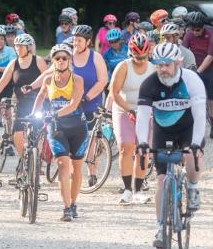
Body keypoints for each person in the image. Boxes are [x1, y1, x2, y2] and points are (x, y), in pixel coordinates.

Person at [135, 42, 206, 249]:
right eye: (158, 65)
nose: (162, 69)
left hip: (188, 128)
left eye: (167, 64)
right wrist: (142, 142)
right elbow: (142, 117)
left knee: (193, 155)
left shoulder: (191, 80)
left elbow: (201, 116)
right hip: (163, 130)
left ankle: (192, 188)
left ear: (177, 62)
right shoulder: (149, 84)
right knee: (161, 180)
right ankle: (160, 227)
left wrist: (195, 144)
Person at [33, 42, 88, 221]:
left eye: (65, 58)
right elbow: (41, 96)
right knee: (63, 166)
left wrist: (53, 113)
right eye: (58, 58)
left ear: (69, 60)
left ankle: (73, 203)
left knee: (77, 169)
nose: (61, 61)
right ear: (53, 61)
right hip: (57, 128)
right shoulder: (48, 80)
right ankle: (66, 208)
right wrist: (33, 114)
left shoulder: (78, 80)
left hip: (78, 127)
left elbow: (73, 104)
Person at [108, 32, 155, 204]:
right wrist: (129, 109)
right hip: (123, 108)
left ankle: (138, 190)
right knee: (126, 148)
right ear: (131, 53)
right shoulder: (123, 66)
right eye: (137, 57)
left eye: (143, 57)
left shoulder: (152, 68)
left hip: (144, 111)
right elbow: (114, 92)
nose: (140, 60)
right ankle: (127, 189)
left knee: (143, 151)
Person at [0, 33, 47, 160]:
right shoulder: (13, 64)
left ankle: (37, 162)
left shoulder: (38, 61)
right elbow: (3, 82)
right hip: (20, 103)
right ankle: (24, 161)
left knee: (38, 133)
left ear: (28, 47)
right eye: (16, 46)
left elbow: (47, 80)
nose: (17, 49)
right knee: (17, 135)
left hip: (37, 102)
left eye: (21, 46)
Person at [70, 25, 109, 187]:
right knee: (74, 139)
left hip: (91, 103)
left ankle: (92, 173)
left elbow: (103, 81)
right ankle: (74, 171)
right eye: (74, 40)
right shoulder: (68, 56)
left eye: (79, 40)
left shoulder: (96, 57)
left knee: (91, 140)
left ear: (88, 41)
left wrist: (87, 97)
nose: (76, 43)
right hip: (72, 105)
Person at [182, 11, 213, 139]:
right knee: (195, 100)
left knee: (212, 101)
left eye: (198, 30)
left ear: (203, 27)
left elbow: (210, 56)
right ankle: (195, 128)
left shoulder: (211, 34)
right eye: (192, 29)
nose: (195, 32)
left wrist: (198, 72)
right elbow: (183, 52)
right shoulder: (189, 35)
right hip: (196, 68)